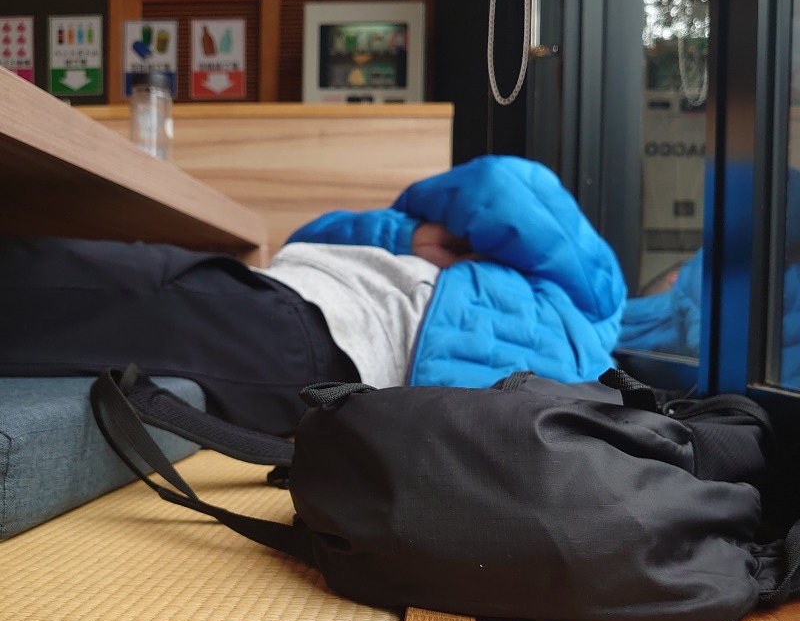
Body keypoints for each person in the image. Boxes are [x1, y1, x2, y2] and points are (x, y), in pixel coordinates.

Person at [1, 154, 627, 435]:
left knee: (59, 282)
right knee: (80, 298)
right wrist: (411, 235)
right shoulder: (589, 361)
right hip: (315, 348)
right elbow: (309, 238)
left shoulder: (598, 299)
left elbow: (504, 182)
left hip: (325, 333)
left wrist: (416, 232)